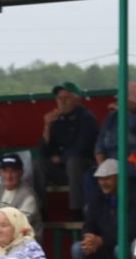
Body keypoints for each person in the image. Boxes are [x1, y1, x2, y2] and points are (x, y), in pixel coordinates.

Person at [71, 161, 125, 259]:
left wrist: (102, 240)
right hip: (103, 249)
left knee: (120, 250)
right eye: (100, 179)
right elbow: (88, 224)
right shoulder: (97, 197)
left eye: (107, 178)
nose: (103, 183)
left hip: (122, 250)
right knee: (78, 249)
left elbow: (130, 231)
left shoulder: (132, 197)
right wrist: (89, 238)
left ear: (119, 178)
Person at [39, 83, 99, 212]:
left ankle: (77, 210)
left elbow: (82, 148)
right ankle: (41, 210)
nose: (62, 102)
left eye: (67, 98)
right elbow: (43, 152)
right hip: (62, 169)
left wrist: (61, 158)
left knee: (74, 162)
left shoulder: (86, 118)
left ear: (77, 99)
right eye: (59, 98)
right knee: (38, 165)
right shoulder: (56, 119)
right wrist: (47, 126)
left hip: (84, 167)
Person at [0, 154, 42, 236]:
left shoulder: (28, 197)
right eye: (5, 171)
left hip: (22, 243)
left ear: (21, 173)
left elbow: (17, 229)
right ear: (0, 172)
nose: (8, 176)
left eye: (13, 171)